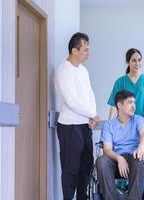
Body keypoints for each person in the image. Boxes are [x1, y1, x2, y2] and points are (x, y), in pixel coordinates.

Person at [54, 32, 99, 200]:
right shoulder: (63, 70)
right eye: (85, 49)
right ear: (74, 50)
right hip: (69, 126)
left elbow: (90, 95)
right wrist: (93, 114)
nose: (88, 52)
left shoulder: (83, 70)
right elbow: (71, 100)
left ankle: (82, 197)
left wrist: (92, 117)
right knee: (70, 168)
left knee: (86, 166)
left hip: (84, 126)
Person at [96, 90, 144, 200]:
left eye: (134, 102)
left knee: (139, 163)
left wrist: (141, 148)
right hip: (115, 161)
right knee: (101, 161)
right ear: (119, 105)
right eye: (130, 102)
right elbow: (107, 150)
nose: (133, 106)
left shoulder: (139, 120)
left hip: (134, 158)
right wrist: (119, 158)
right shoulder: (109, 125)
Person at [107, 48, 144, 145]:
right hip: (125, 129)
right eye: (134, 60)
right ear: (128, 62)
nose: (137, 63)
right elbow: (114, 107)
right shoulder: (120, 82)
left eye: (139, 60)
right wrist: (109, 128)